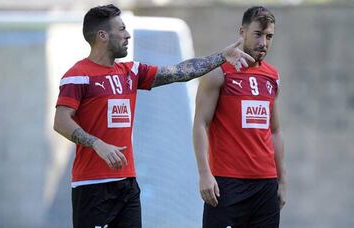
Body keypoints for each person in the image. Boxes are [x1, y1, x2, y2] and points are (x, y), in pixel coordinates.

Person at [53, 4, 254, 228]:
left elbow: (179, 72)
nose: (127, 34)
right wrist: (97, 144)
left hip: (127, 185)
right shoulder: (77, 76)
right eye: (121, 29)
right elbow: (61, 121)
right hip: (92, 185)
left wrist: (222, 57)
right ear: (102, 36)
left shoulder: (131, 72)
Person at [193, 6, 287, 228]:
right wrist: (204, 174)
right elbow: (200, 124)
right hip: (227, 184)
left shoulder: (272, 77)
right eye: (257, 34)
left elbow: (275, 131)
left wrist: (282, 181)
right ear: (242, 32)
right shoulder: (219, 72)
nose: (263, 43)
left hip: (265, 185)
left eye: (269, 36)